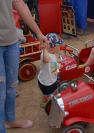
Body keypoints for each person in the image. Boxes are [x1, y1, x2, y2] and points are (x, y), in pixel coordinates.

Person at [0, 0, 48, 132]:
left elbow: (20, 4)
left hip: (11, 41)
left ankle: (9, 119)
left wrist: (38, 32)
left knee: (11, 86)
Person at [38, 33, 63, 107]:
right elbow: (46, 60)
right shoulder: (44, 54)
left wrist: (58, 64)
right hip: (46, 83)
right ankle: (45, 103)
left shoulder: (54, 54)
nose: (60, 47)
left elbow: (55, 65)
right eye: (59, 45)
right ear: (53, 47)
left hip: (52, 79)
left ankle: (51, 97)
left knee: (54, 91)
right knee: (47, 96)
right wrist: (44, 48)